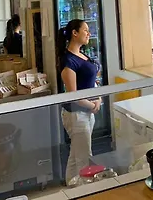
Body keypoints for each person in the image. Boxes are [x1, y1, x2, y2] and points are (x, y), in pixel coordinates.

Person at [58, 19, 101, 186]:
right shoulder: (69, 61)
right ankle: (85, 190)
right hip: (76, 114)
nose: (89, 33)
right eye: (85, 30)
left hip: (87, 113)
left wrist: (98, 98)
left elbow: (91, 82)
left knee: (75, 154)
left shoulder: (82, 55)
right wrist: (93, 105)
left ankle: (71, 186)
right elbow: (74, 95)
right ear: (74, 33)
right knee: (84, 157)